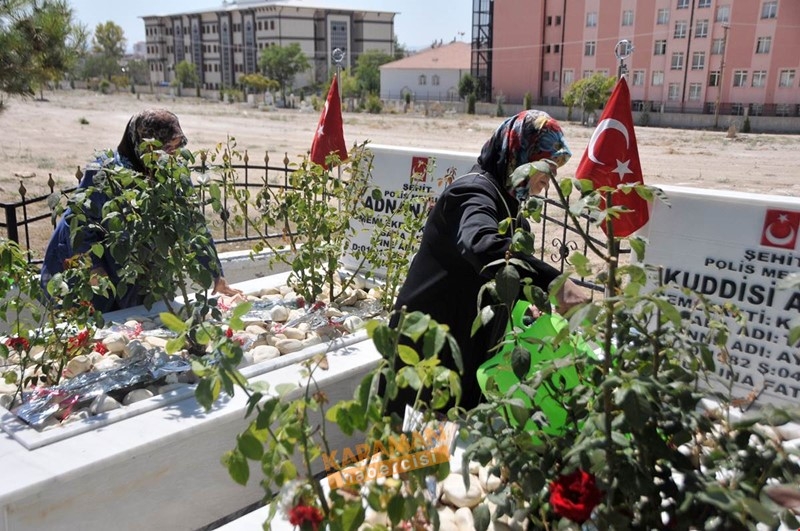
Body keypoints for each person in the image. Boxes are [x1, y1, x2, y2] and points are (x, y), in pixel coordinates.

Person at [391, 109, 590, 412]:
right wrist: (555, 284)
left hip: (464, 343)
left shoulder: (508, 203)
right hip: (426, 345)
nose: (548, 181)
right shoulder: (473, 193)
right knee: (411, 447)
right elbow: (481, 245)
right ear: (521, 154)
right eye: (546, 166)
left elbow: (506, 271)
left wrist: (531, 301)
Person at [40, 108, 243, 312]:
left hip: (138, 270)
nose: (170, 155)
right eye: (164, 148)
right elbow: (79, 224)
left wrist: (216, 275)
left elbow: (193, 226)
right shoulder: (106, 172)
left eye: (176, 147)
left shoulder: (173, 174)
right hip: (93, 268)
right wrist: (94, 269)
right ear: (142, 144)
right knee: (91, 326)